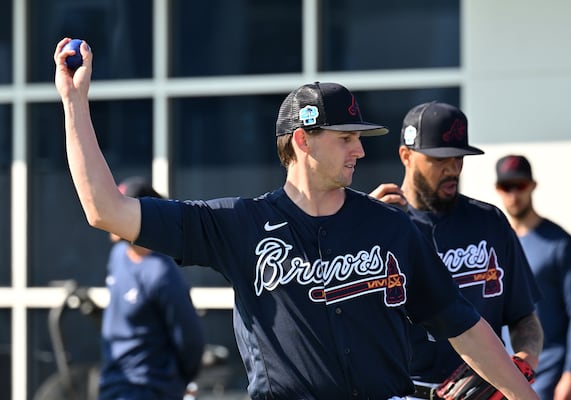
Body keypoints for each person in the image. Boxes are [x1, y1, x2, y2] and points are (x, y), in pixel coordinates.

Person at [54, 37, 540, 400]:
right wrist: (74, 104)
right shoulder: (239, 225)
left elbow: (465, 326)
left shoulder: (393, 228)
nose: (360, 149)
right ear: (304, 141)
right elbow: (105, 210)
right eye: (345, 137)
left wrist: (525, 395)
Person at [370, 101, 544, 399]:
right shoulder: (380, 225)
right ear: (406, 156)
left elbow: (524, 317)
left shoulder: (490, 222)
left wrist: (523, 362)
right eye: (440, 159)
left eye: (458, 157)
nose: (452, 168)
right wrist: (358, 229)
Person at [495, 154, 571, 400]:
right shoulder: (496, 245)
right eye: (507, 187)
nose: (514, 194)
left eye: (521, 185)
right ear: (498, 189)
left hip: (549, 371)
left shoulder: (562, 245)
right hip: (505, 371)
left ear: (533, 186)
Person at [99, 176, 206, 400]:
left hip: (150, 389)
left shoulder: (162, 273)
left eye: (119, 205)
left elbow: (190, 340)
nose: (109, 210)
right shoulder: (117, 256)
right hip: (113, 384)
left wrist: (178, 381)